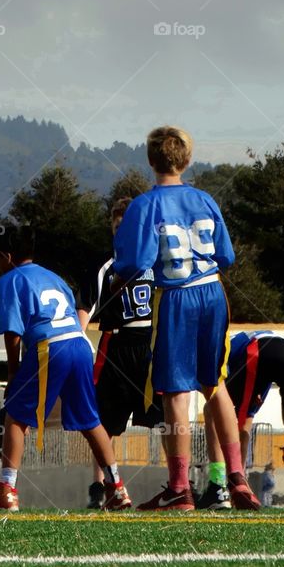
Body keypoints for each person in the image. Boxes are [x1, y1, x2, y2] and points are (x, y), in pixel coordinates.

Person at [113, 125, 259, 511]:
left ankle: (180, 487)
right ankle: (237, 478)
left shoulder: (145, 205)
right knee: (216, 384)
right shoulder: (205, 199)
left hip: (175, 295)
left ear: (150, 160)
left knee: (176, 393)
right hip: (213, 292)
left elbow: (133, 262)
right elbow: (226, 255)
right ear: (187, 159)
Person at [0, 225, 133, 512]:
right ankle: (117, 487)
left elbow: (12, 332)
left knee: (15, 417)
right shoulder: (53, 277)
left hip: (51, 346)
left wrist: (13, 373)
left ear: (6, 256)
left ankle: (7, 490)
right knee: (91, 421)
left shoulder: (10, 280)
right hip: (79, 344)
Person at [77, 197, 162, 508]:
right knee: (104, 420)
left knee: (165, 416)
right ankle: (102, 485)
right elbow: (85, 308)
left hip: (149, 345)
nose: (120, 231)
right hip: (115, 344)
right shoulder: (105, 264)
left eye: (125, 225)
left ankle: (180, 483)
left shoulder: (156, 259)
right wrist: (79, 340)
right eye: (115, 225)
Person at [199, 331, 284, 510]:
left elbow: (221, 385)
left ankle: (219, 486)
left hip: (261, 354)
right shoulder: (241, 341)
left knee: (212, 409)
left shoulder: (225, 347)